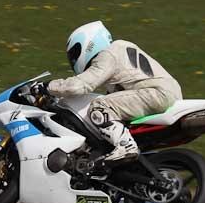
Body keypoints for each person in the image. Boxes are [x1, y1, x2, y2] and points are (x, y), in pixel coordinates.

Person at [42, 20, 182, 163]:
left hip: (155, 94)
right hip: (165, 94)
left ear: (89, 43)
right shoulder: (121, 49)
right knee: (111, 112)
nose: (74, 59)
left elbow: (78, 86)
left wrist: (48, 87)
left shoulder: (108, 54)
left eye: (75, 53)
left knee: (99, 107)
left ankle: (125, 146)